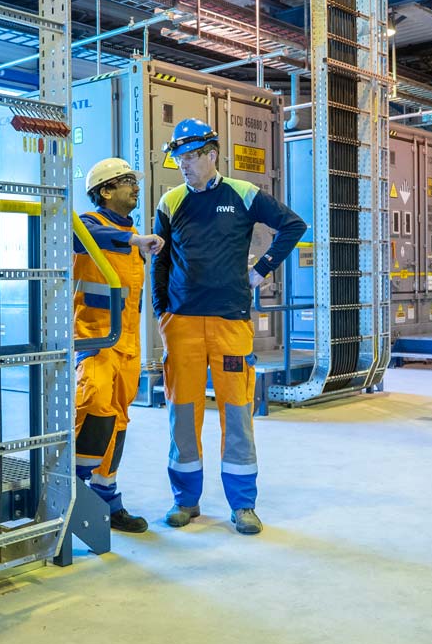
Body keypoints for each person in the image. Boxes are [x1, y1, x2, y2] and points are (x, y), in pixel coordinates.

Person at [152, 118, 306, 535]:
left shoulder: (242, 194)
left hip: (230, 321)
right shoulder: (170, 202)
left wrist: (263, 269)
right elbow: (160, 260)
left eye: (189, 157)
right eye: (178, 158)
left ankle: (243, 505)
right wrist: (160, 309)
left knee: (237, 413)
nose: (183, 165)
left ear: (211, 154)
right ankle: (185, 500)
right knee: (182, 413)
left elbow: (293, 225)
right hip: (181, 322)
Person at [73, 157, 164, 533]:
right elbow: (91, 235)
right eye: (127, 180)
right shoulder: (87, 224)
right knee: (95, 408)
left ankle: (107, 497)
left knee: (119, 421)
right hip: (94, 340)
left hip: (127, 345)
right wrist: (133, 239)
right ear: (105, 190)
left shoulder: (133, 236)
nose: (135, 186)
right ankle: (70, 494)